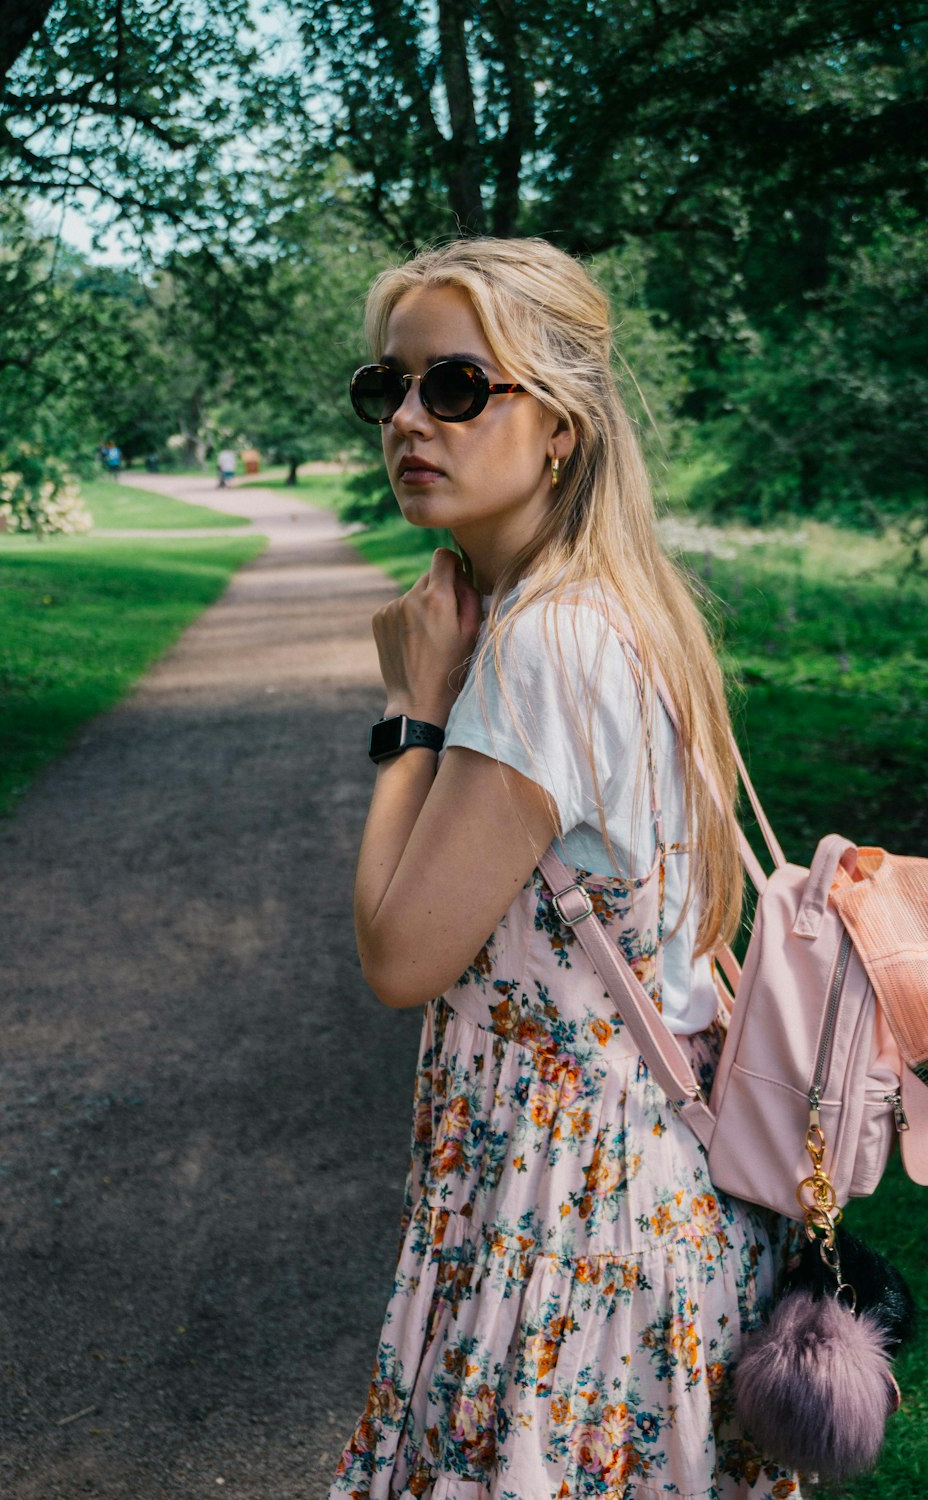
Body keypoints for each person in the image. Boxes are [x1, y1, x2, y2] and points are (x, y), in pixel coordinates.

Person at [329, 238, 798, 1500]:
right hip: (641, 1199)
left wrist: (410, 716)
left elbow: (398, 953)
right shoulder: (624, 609)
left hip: (567, 1223)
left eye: (459, 387)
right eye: (391, 388)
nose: (410, 420)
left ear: (560, 426)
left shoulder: (543, 649)